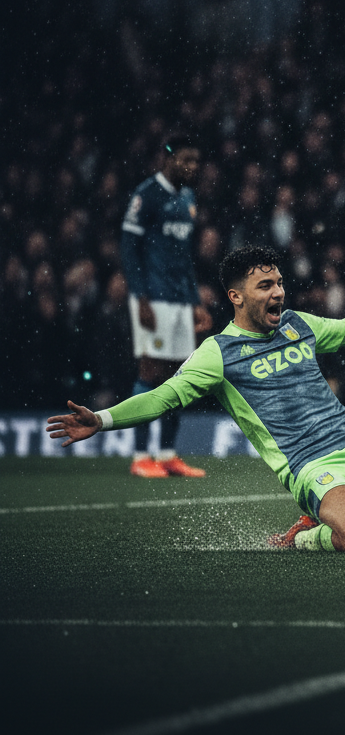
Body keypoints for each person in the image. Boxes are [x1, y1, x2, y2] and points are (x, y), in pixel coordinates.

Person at [47, 245, 345, 552]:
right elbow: (163, 397)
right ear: (236, 296)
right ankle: (304, 537)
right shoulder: (217, 353)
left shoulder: (296, 323)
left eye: (279, 282)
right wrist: (102, 420)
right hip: (313, 466)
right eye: (265, 286)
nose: (278, 291)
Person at [119, 133, 214, 477]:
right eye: (185, 160)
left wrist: (195, 301)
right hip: (153, 298)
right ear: (167, 158)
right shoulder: (146, 195)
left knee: (178, 376)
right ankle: (140, 456)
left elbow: (184, 257)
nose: (192, 167)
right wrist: (140, 297)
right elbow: (129, 250)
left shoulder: (188, 198)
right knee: (150, 372)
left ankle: (168, 453)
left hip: (179, 300)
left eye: (196, 161)